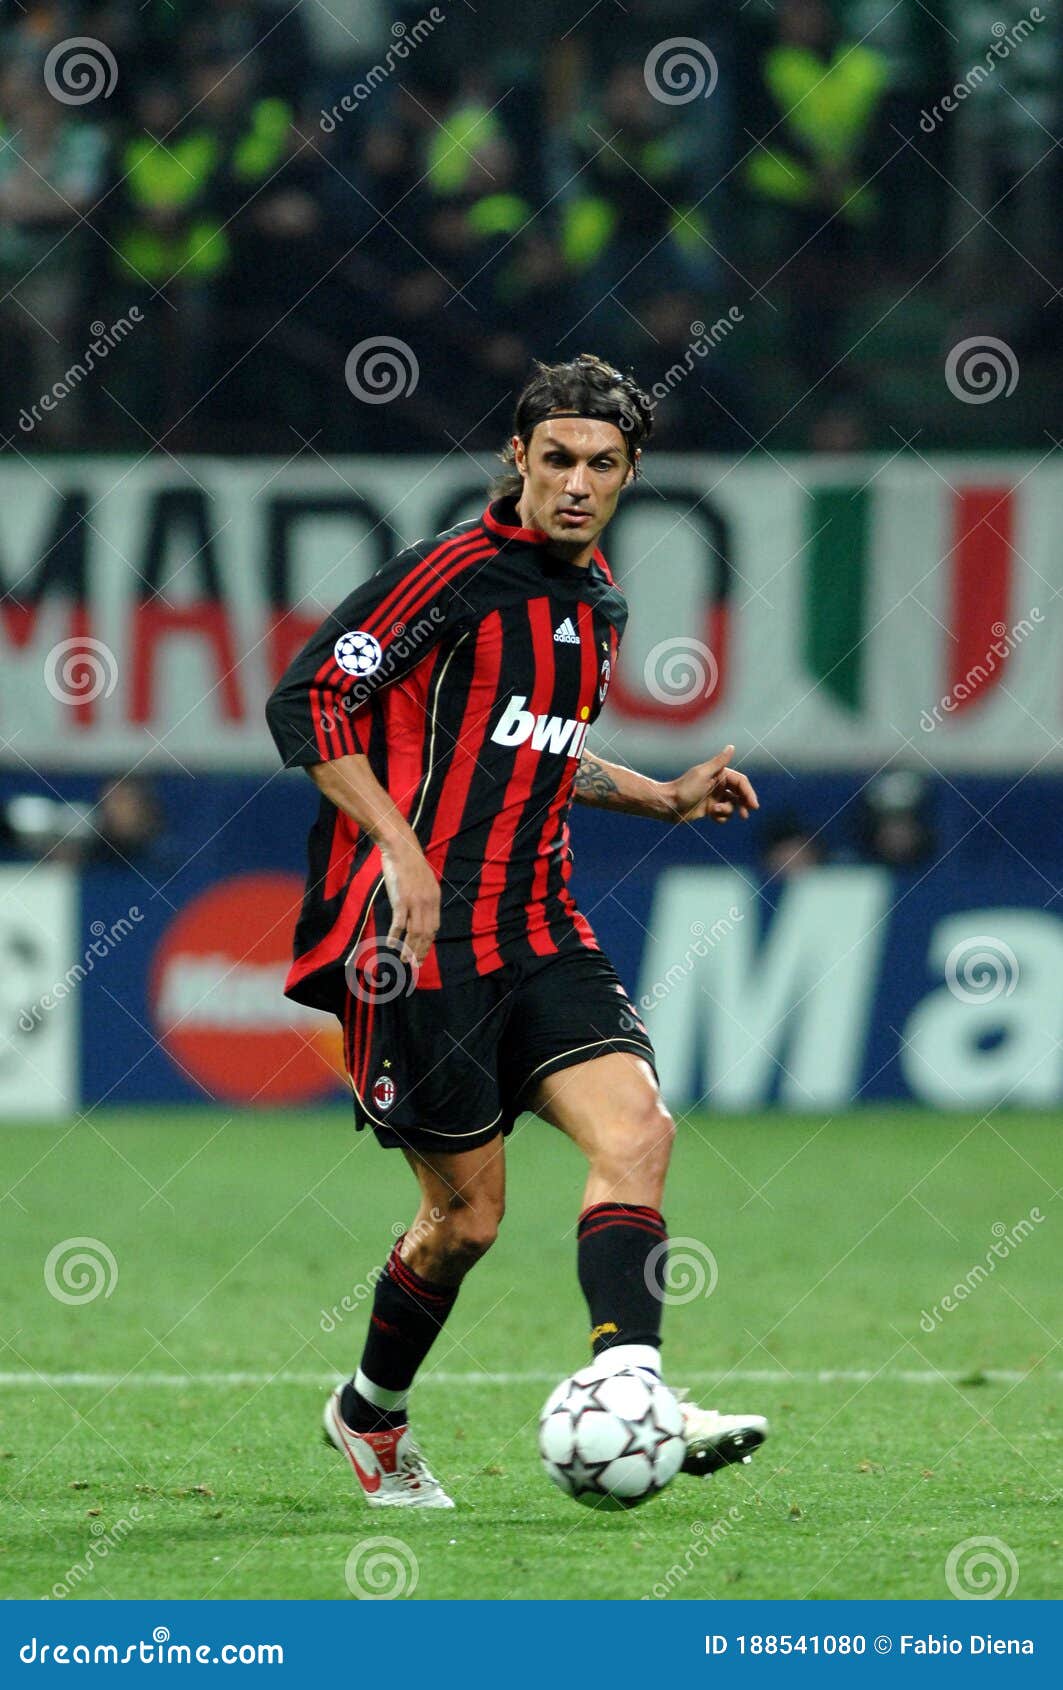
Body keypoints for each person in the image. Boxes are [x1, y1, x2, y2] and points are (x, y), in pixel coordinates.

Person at [266, 354, 768, 1509]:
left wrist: (663, 796)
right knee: (466, 1218)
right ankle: (367, 1414)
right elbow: (309, 698)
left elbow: (533, 746)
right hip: (414, 942)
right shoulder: (452, 574)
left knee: (637, 1130)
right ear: (517, 458)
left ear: (631, 472)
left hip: (537, 924)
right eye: (556, 459)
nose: (576, 482)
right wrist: (398, 843)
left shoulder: (597, 603)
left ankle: (632, 1387)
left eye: (601, 463)